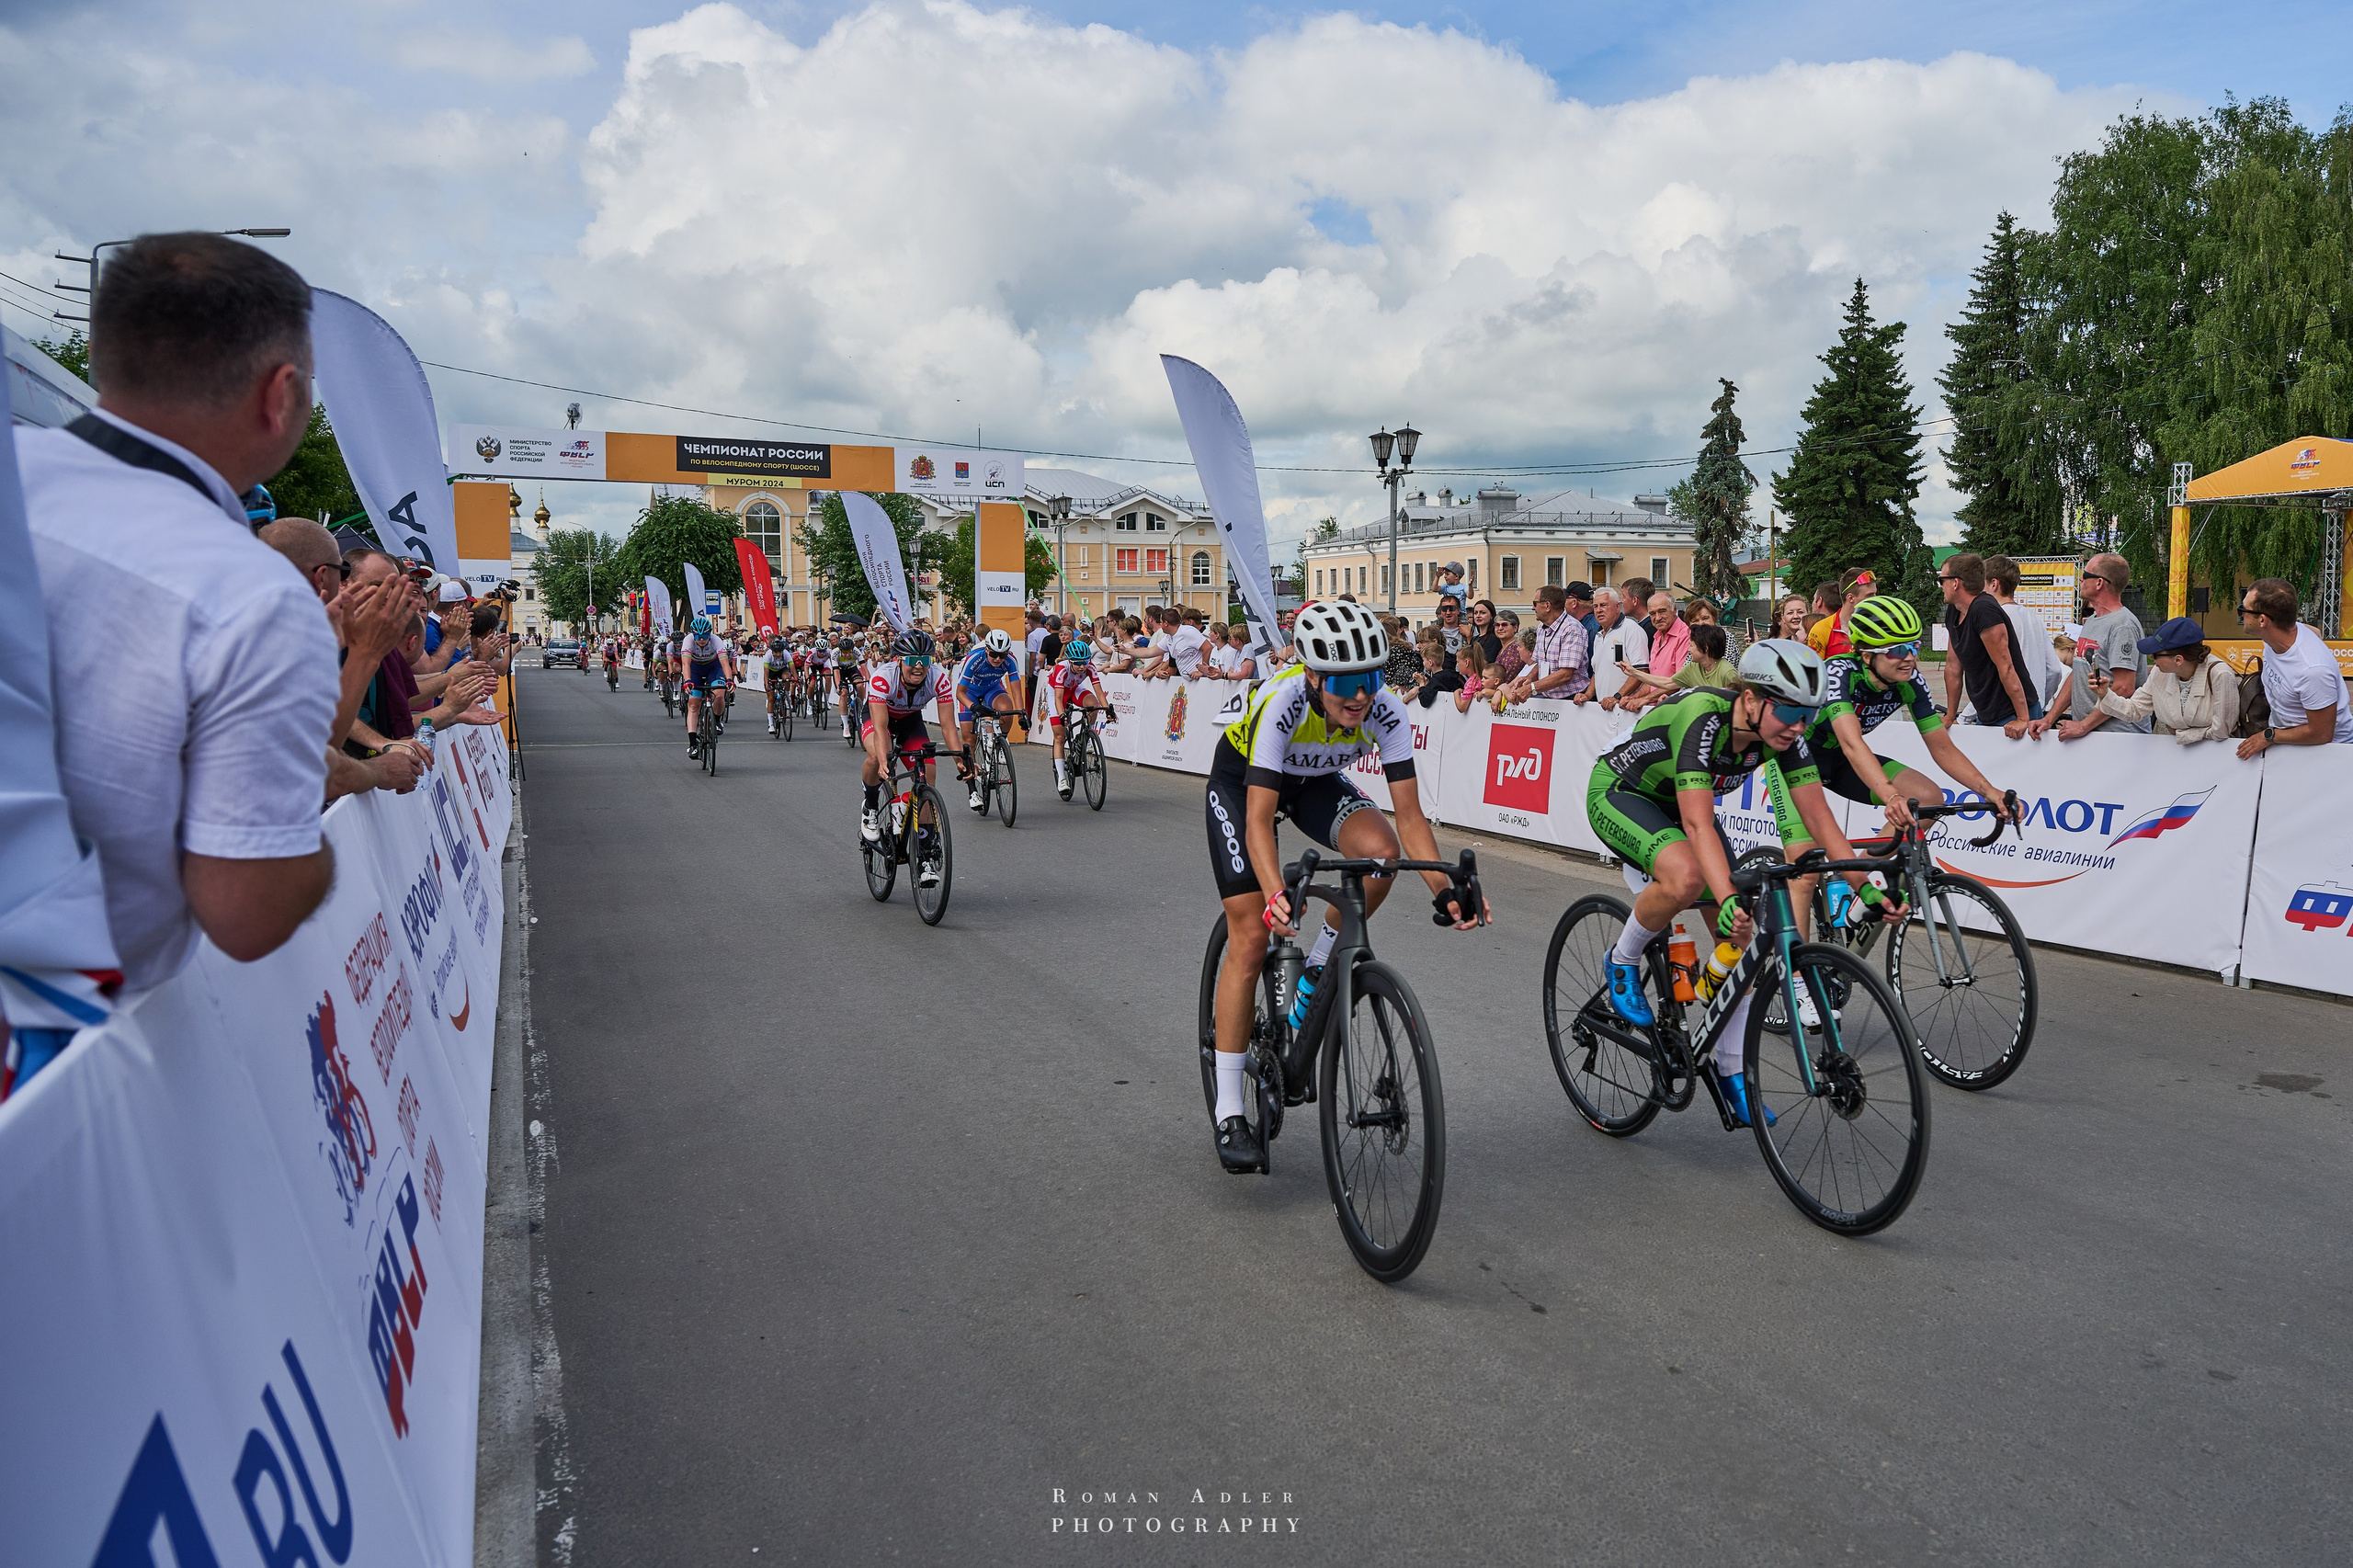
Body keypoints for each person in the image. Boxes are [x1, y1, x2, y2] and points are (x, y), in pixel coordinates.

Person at [14, 232, 341, 987]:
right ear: (280, 393)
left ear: (101, 356)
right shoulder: (253, 599)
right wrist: (312, 835)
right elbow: (247, 912)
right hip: (51, 1048)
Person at [1204, 600, 1486, 1171]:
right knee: (1251, 935)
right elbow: (1258, 821)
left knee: (1379, 857)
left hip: (1313, 783)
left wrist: (1444, 890)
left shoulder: (1385, 712)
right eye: (1347, 682)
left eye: (1373, 678)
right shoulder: (1284, 702)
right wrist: (1275, 898)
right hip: (1243, 786)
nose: (1362, 695)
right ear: (1313, 676)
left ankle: (1319, 968)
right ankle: (1230, 1109)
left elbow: (1409, 819)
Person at [1586, 639, 1903, 1125]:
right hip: (1622, 791)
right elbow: (1696, 825)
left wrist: (1867, 889)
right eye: (1792, 711)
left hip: (1682, 809)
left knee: (1741, 947)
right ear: (1751, 700)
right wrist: (1730, 895)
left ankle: (1731, 1074)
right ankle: (1623, 959)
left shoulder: (1784, 738)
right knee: (1688, 878)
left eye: (1809, 716)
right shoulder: (1703, 715)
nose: (1800, 727)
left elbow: (1821, 821)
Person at [1802, 597, 2018, 934]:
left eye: (1913, 646)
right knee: (1801, 865)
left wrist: (1989, 790)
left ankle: (1850, 877)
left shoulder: (1910, 681)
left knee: (1927, 797)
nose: (1910, 657)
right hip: (1795, 758)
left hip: (1841, 761)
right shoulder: (1839, 673)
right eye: (1897, 649)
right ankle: (1797, 974)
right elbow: (1852, 742)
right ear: (1867, 655)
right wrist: (1890, 796)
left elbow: (1942, 748)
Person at [859, 630, 967, 861]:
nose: (918, 667)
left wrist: (960, 759)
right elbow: (880, 728)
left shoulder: (939, 678)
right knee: (880, 756)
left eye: (925, 661)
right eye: (911, 660)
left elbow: (949, 726)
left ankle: (926, 852)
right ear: (899, 660)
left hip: (910, 721)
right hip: (880, 718)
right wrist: (883, 761)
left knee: (927, 776)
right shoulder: (882, 677)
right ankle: (870, 807)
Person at [2064, 617, 2237, 744]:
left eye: (2156, 654)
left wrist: (2182, 735)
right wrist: (2105, 694)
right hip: (2179, 758)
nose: (2152, 658)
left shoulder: (2220, 675)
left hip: (2216, 763)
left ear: (2178, 660)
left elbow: (2221, 731)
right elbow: (2133, 710)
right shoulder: (2159, 673)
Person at [2029, 552, 2146, 739]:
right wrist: (2049, 719)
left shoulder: (2123, 625)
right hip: (2093, 733)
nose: (2081, 579)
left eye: (2086, 575)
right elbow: (2079, 673)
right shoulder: (2092, 621)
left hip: (2119, 736)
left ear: (2099, 583)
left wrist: (2084, 725)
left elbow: (2124, 688)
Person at [2234, 577, 2353, 756]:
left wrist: (2268, 736)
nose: (2241, 614)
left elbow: (2321, 734)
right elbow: (2316, 632)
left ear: (2263, 620)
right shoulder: (2288, 631)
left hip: (2326, 752)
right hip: (2290, 742)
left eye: (2243, 609)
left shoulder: (2312, 671)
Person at [1939, 553, 2034, 729]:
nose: (1940, 586)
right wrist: (1950, 716)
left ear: (1955, 583)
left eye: (1941, 580)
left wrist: (2022, 719)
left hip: (2012, 711)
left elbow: (2005, 666)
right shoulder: (1954, 610)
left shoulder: (1984, 610)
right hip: (1987, 711)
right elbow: (1953, 666)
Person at [956, 628, 1026, 810]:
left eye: (1002, 656)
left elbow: (1016, 691)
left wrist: (1021, 715)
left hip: (992, 689)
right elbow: (959, 692)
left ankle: (1000, 742)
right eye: (993, 654)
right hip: (969, 693)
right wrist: (972, 707)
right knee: (968, 741)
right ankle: (972, 791)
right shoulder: (974, 659)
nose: (997, 659)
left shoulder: (1010, 661)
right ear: (986, 649)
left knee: (1006, 708)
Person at [1984, 555, 2062, 712]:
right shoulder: (2034, 617)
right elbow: (2055, 670)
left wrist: (1965, 717)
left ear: (1993, 584)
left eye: (1981, 584)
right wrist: (2039, 701)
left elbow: (1990, 678)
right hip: (2034, 709)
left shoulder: (1993, 620)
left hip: (2003, 711)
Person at [1503, 583, 1590, 706]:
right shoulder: (1542, 628)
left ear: (1547, 606)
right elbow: (1541, 663)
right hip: (1549, 698)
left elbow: (1566, 674)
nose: (1533, 608)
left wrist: (1531, 688)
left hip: (1572, 700)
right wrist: (1529, 678)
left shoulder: (1572, 629)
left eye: (1535, 604)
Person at [1045, 637, 1109, 798]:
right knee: (1060, 736)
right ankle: (1062, 779)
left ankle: (1085, 735)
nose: (1082, 667)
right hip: (1056, 692)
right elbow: (1059, 699)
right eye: (1077, 663)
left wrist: (1108, 710)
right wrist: (1061, 715)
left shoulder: (1090, 667)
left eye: (1084, 662)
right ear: (1070, 661)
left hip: (1074, 689)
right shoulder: (1061, 669)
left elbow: (1099, 692)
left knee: (1093, 706)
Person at [1620, 620, 1738, 698]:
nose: (1689, 650)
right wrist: (1634, 672)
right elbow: (1667, 683)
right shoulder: (1694, 667)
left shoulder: (1727, 672)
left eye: (1692, 646)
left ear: (1705, 648)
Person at [1578, 587, 1648, 710]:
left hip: (1627, 709)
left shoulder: (1632, 630)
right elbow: (1597, 672)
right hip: (1605, 708)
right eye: (1595, 606)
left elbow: (1641, 671)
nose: (1599, 610)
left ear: (1617, 607)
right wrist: (1587, 695)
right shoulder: (1598, 635)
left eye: (1603, 605)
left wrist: (1617, 697)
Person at [680, 615, 736, 758]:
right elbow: (686, 664)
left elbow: (724, 663)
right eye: (698, 636)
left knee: (719, 694)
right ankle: (693, 744)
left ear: (709, 634)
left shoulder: (716, 640)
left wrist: (729, 679)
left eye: (705, 636)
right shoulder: (688, 641)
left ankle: (717, 721)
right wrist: (687, 681)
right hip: (695, 669)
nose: (701, 639)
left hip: (713, 667)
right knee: (693, 705)